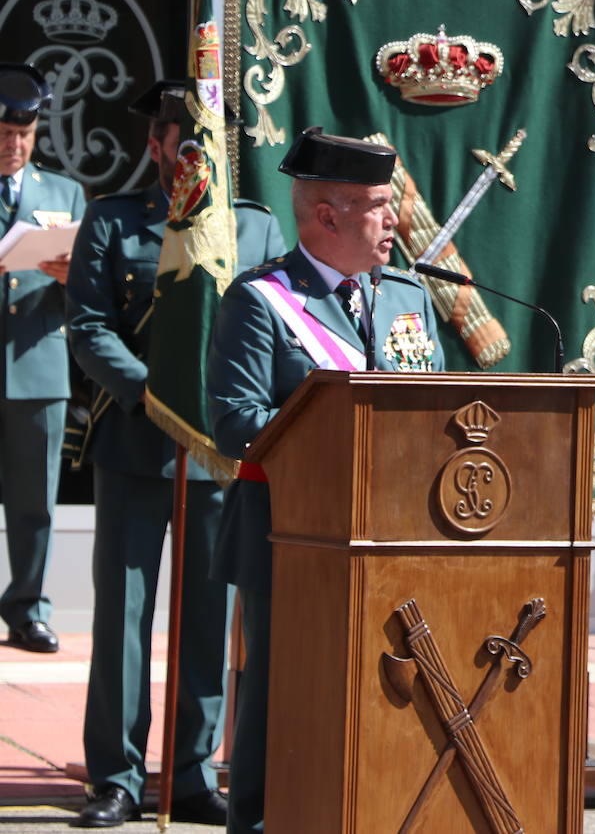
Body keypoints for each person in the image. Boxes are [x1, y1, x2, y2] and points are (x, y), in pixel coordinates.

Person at [207, 126, 444, 832]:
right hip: (293, 537)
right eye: (377, 204)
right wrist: (343, 432)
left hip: (395, 533)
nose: (393, 219)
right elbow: (236, 422)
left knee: (387, 691)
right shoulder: (261, 302)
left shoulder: (407, 296)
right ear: (326, 216)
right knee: (286, 699)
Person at [64, 80, 287, 826]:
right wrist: (155, 398)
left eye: (206, 140)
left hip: (219, 459)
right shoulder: (112, 220)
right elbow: (88, 327)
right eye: (179, 139)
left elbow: (271, 329)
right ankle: (118, 777)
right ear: (154, 143)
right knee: (123, 619)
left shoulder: (252, 229)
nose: (192, 152)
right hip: (135, 447)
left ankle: (190, 773)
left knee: (207, 619)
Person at [0, 63, 86, 654]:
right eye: (5, 136)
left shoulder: (65, 192)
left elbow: (94, 282)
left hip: (37, 363)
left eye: (23, 137)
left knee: (36, 501)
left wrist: (69, 275)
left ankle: (28, 607)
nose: (13, 146)